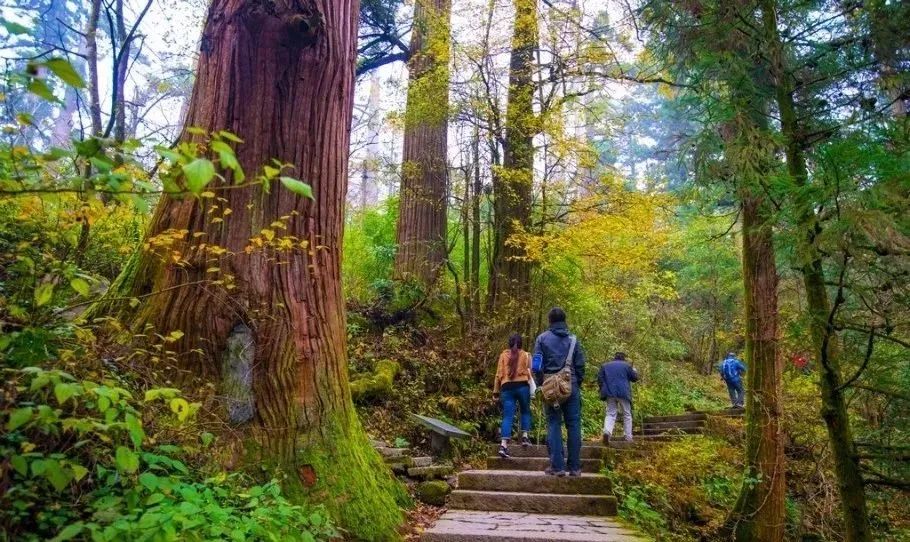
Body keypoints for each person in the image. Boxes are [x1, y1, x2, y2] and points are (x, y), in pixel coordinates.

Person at [533, 307, 586, 477]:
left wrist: (542, 384)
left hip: (550, 387)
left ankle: (557, 466)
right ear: (565, 320)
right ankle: (575, 467)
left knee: (554, 423)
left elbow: (536, 366)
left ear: (550, 321)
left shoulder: (542, 339)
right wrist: (576, 383)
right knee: (573, 424)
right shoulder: (573, 340)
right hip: (572, 385)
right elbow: (580, 366)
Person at [493, 333, 533, 458]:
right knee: (525, 411)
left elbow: (498, 374)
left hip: (506, 387)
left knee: (507, 416)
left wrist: (495, 392)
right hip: (522, 387)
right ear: (521, 343)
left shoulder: (503, 355)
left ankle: (503, 445)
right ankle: (525, 437)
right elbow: (531, 372)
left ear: (509, 343)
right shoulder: (527, 355)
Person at [598, 352, 639, 445]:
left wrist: (603, 389)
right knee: (627, 414)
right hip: (623, 392)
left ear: (614, 358)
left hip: (609, 392)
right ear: (623, 358)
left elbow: (600, 379)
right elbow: (634, 378)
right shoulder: (627, 366)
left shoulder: (605, 366)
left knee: (610, 413)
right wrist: (635, 371)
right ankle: (628, 437)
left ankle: (607, 432)